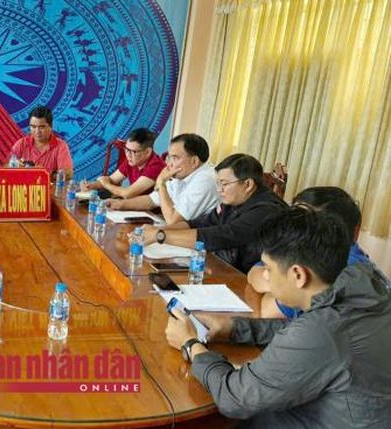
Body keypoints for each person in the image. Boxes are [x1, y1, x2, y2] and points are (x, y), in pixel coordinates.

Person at [165, 206, 391, 427]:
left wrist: (191, 345)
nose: (265, 276)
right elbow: (298, 329)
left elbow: (234, 398)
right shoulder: (360, 281)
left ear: (298, 274)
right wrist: (233, 328)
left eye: (268, 269)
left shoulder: (323, 330)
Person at [249, 186, 383, 318]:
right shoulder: (298, 249)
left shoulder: (345, 267)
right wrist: (278, 282)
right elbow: (253, 274)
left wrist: (275, 284)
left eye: (301, 222)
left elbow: (267, 311)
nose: (289, 227)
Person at [144, 153, 286, 272]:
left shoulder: (266, 210)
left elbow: (221, 236)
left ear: (247, 184)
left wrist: (160, 236)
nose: (219, 190)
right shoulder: (233, 200)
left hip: (250, 278)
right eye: (218, 184)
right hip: (226, 267)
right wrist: (158, 230)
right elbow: (200, 223)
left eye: (224, 184)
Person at [106, 133, 219, 224]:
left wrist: (161, 183)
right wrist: (120, 204)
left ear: (194, 161)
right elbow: (152, 200)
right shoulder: (182, 173)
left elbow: (173, 221)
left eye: (175, 158)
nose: (169, 164)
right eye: (169, 157)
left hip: (200, 242)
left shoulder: (205, 180)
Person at [81, 128, 165, 199]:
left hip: (152, 212)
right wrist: (91, 185)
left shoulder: (156, 166)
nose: (128, 155)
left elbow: (128, 193)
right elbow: (111, 180)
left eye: (133, 151)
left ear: (147, 152)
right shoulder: (132, 160)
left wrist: (106, 184)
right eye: (126, 149)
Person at [9, 106, 73, 178]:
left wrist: (42, 173)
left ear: (51, 126)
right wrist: (14, 166)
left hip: (49, 185)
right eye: (33, 127)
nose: (37, 131)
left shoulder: (61, 146)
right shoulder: (21, 144)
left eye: (42, 127)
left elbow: (68, 174)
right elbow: (5, 168)